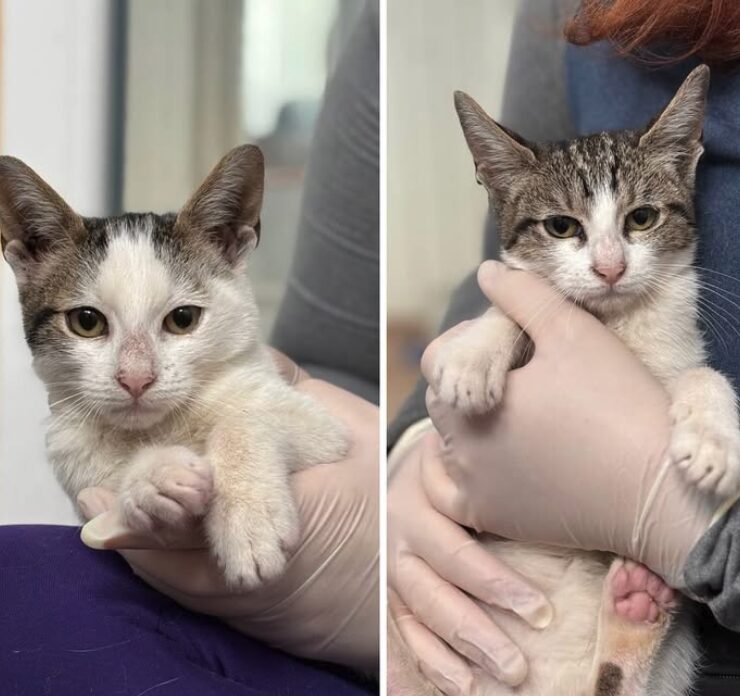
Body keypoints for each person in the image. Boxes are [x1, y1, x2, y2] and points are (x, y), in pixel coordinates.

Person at [0, 1, 379, 694]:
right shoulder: (74, 438)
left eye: (179, 321)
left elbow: (317, 436)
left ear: (236, 243)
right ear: (26, 257)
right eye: (89, 323)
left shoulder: (233, 381)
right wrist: (147, 485)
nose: (136, 375)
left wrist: (240, 436)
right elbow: (115, 503)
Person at [388, 1, 740, 694]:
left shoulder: (670, 297)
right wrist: (407, 448)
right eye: (564, 228)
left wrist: (697, 531)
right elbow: (497, 279)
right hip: (503, 586)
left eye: (640, 218)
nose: (608, 264)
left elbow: (689, 376)